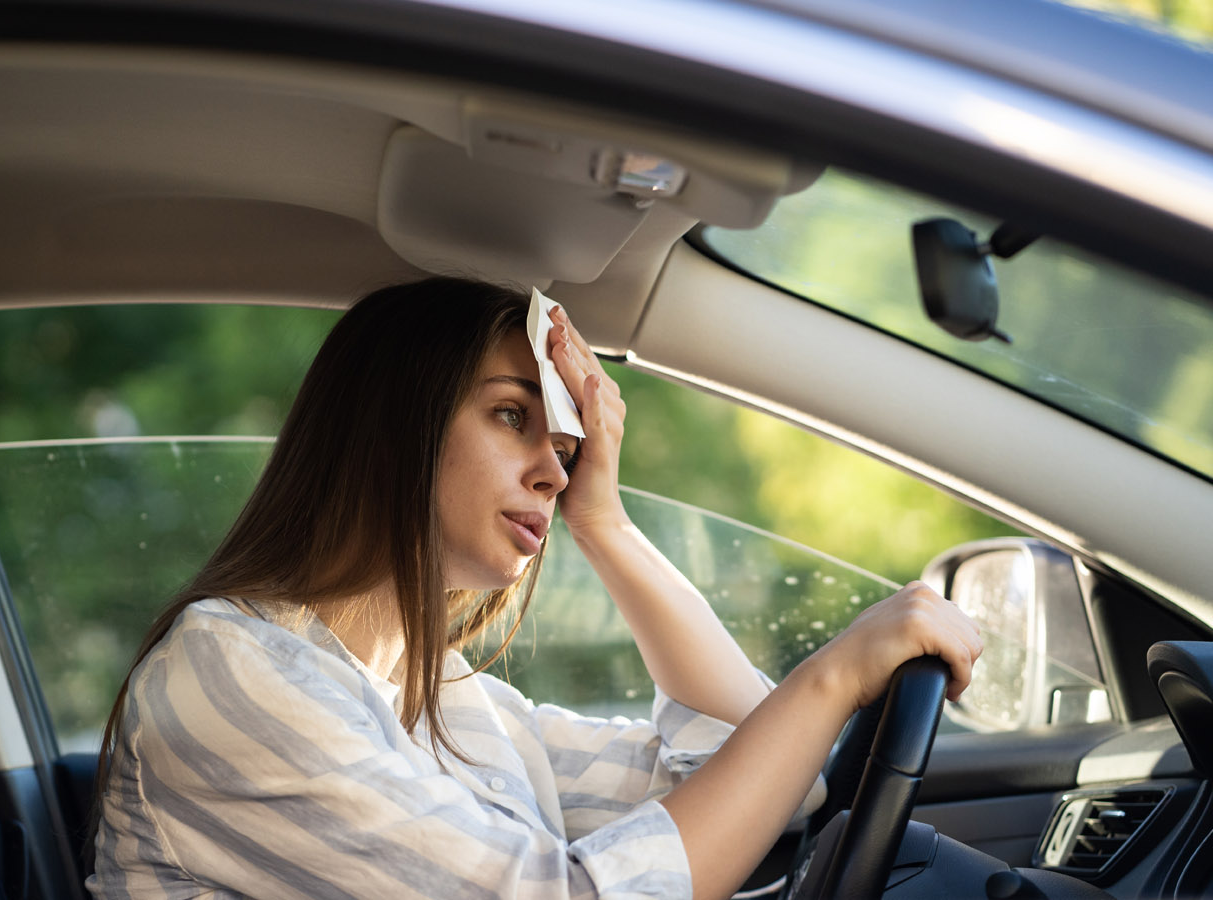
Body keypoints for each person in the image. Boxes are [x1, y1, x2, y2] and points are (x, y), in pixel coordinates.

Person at [87, 276, 982, 900]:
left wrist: (608, 525)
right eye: (512, 416)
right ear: (394, 424)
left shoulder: (450, 702)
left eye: (565, 450)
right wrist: (835, 675)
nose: (555, 475)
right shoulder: (228, 671)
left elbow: (761, 777)